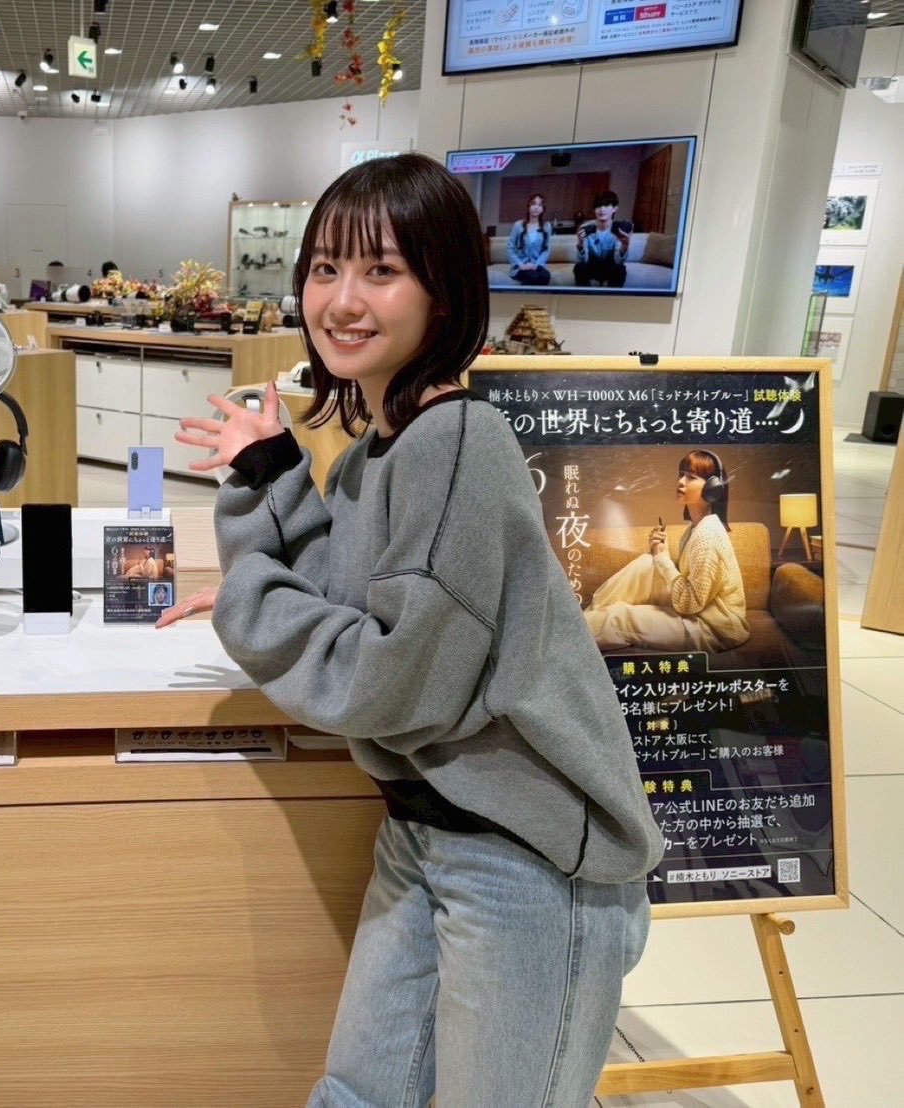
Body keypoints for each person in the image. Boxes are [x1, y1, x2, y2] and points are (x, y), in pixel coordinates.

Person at [157, 153, 661, 1107]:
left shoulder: (456, 442)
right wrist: (270, 475)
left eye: (381, 271)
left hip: (524, 857)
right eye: (324, 268)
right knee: (356, 1094)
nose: (341, 300)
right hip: (427, 831)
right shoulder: (380, 450)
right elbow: (340, 590)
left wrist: (249, 605)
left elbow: (386, 677)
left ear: (443, 293)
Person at [584, 450, 750, 653]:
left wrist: (663, 559)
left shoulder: (707, 535)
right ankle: (587, 616)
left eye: (691, 477)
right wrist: (659, 554)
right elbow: (687, 581)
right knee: (646, 563)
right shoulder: (695, 528)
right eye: (681, 475)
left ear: (713, 488)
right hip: (700, 611)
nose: (680, 482)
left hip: (713, 628)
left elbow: (689, 604)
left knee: (620, 617)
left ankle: (573, 634)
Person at [574, 190, 630, 287]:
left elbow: (618, 261)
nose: (602, 209)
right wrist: (580, 244)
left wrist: (624, 246)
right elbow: (583, 260)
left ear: (615, 209)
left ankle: (612, 296)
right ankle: (585, 296)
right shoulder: (586, 228)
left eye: (606, 205)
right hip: (592, 266)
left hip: (610, 266)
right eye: (598, 206)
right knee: (579, 268)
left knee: (620, 269)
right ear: (594, 209)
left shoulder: (619, 229)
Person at [505, 192, 552, 286]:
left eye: (540, 205)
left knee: (546, 276)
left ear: (543, 209)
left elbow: (547, 249)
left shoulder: (546, 226)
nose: (536, 207)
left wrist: (536, 265)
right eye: (533, 204)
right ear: (528, 207)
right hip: (520, 267)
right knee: (533, 276)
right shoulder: (518, 225)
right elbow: (510, 248)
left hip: (537, 266)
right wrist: (521, 265)